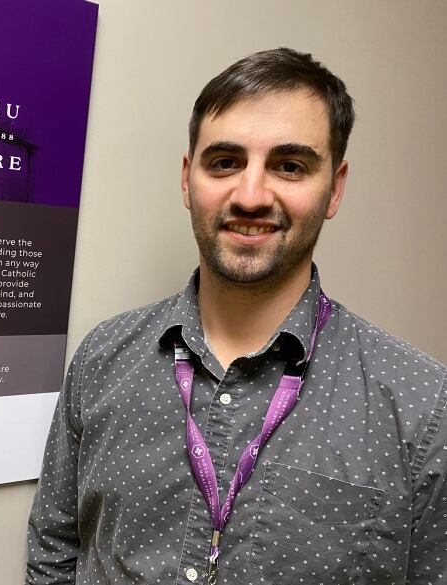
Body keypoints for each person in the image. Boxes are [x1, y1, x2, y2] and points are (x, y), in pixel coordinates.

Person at [25, 48, 447, 585]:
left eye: (289, 166)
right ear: (187, 178)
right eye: (225, 162)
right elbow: (55, 546)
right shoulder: (102, 357)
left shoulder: (423, 404)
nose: (250, 195)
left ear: (335, 187)